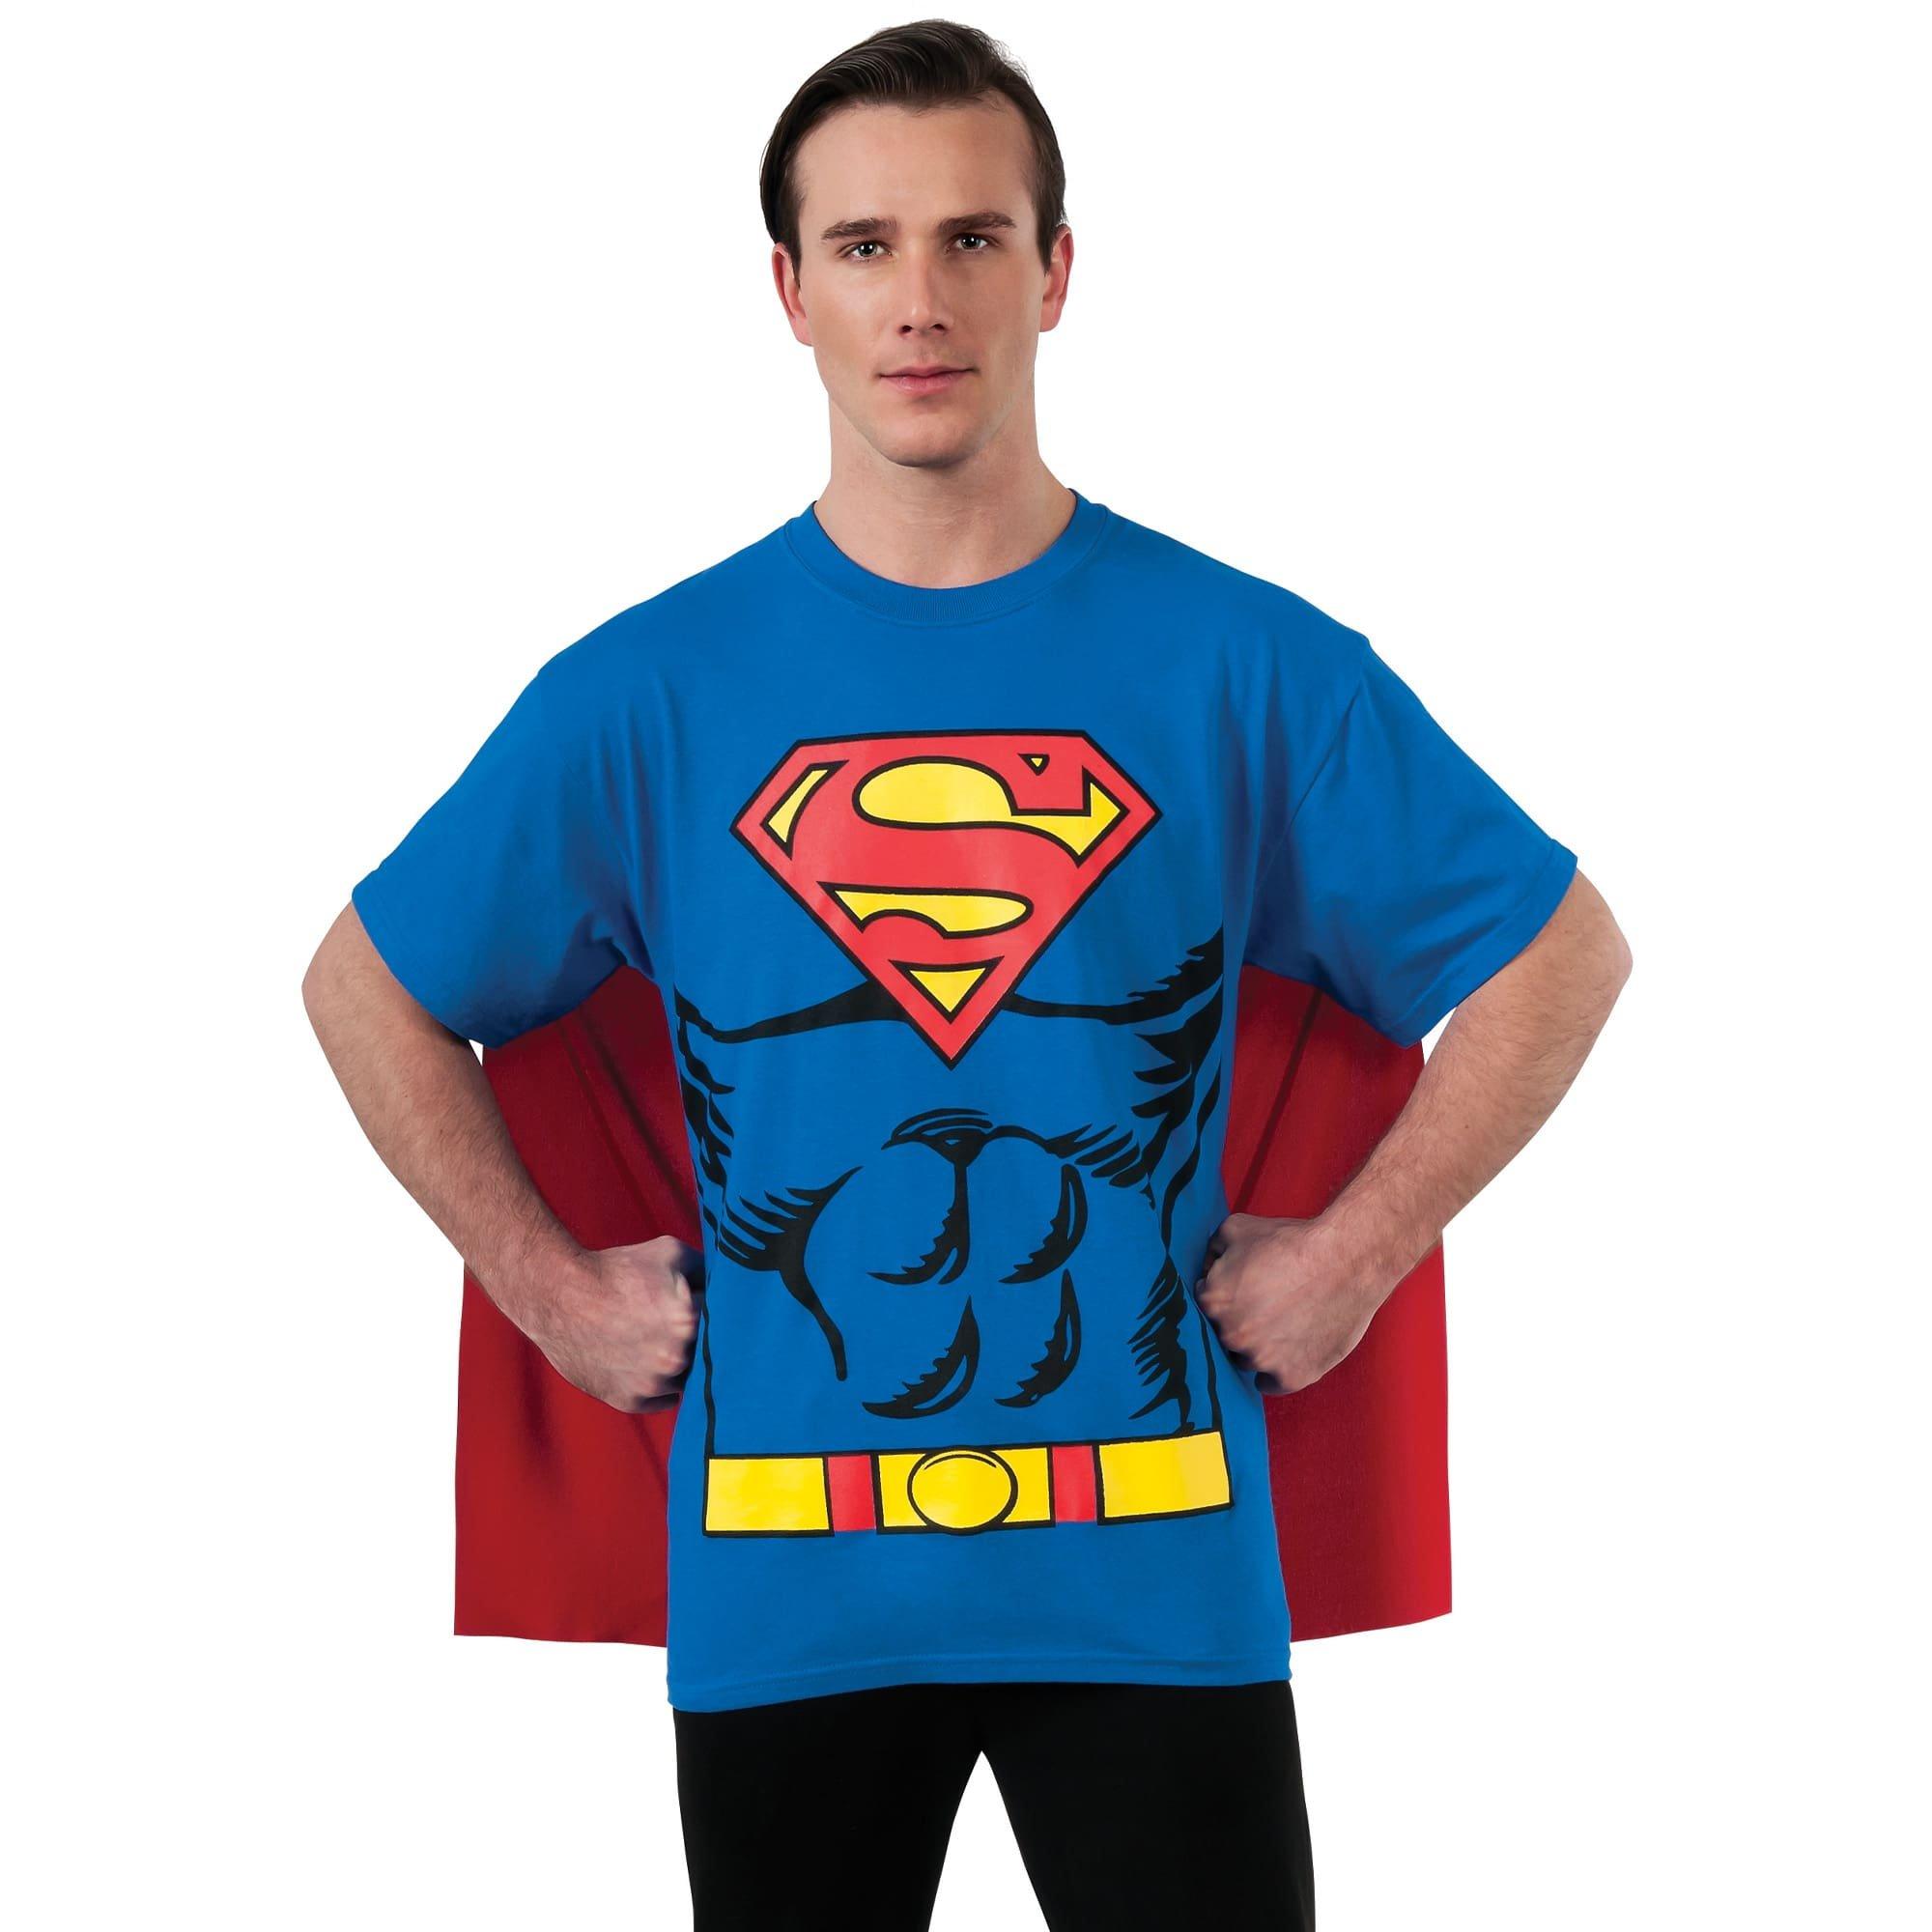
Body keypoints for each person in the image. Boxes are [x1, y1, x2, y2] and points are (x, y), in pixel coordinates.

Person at [302, 19, 1632, 1929]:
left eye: (971, 238)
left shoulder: (1242, 664)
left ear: (1055, 270)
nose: (918, 299)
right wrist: (547, 1291)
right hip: (789, 1583)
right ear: (790, 292)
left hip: (1154, 1577)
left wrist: (1355, 1254)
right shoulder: (649, 694)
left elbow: (1554, 953)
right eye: (863, 245)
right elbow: (369, 985)